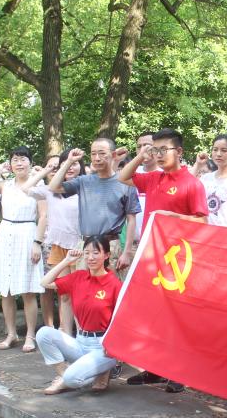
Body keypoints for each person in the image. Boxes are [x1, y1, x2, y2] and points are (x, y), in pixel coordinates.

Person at [117, 128, 207, 392]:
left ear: (179, 151)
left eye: (162, 149)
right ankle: (155, 369)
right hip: (150, 256)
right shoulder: (154, 178)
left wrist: (175, 218)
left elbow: (203, 221)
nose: (158, 154)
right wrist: (141, 155)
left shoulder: (192, 183)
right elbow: (123, 176)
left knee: (176, 316)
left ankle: (179, 372)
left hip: (178, 261)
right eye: (154, 150)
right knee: (153, 315)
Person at [0, 146, 46, 352]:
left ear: (30, 163)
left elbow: (43, 216)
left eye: (23, 159)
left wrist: (37, 243)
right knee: (5, 290)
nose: (19, 163)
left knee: (28, 290)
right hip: (6, 234)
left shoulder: (38, 185)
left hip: (27, 234)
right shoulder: (5, 185)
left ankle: (30, 335)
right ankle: (11, 333)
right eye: (15, 159)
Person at [34, 237, 122, 394]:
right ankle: (66, 375)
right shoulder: (79, 277)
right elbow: (44, 283)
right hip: (80, 342)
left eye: (96, 253)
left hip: (102, 347)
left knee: (72, 379)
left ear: (107, 255)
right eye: (87, 253)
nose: (90, 257)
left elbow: (121, 320)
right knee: (43, 334)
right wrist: (66, 261)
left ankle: (85, 374)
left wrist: (113, 344)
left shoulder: (114, 284)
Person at [50, 140, 139, 271]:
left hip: (111, 246)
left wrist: (127, 252)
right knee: (83, 283)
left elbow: (131, 219)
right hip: (85, 246)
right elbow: (54, 187)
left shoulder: (125, 183)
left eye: (102, 153)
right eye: (93, 154)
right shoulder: (83, 181)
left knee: (111, 283)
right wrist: (69, 161)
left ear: (113, 155)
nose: (97, 158)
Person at [21, 154, 84, 335]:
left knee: (80, 294)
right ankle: (66, 336)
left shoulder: (84, 187)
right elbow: (25, 188)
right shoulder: (50, 190)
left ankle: (83, 335)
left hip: (80, 247)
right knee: (64, 295)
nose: (70, 167)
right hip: (58, 246)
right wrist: (47, 170)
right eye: (65, 164)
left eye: (75, 164)